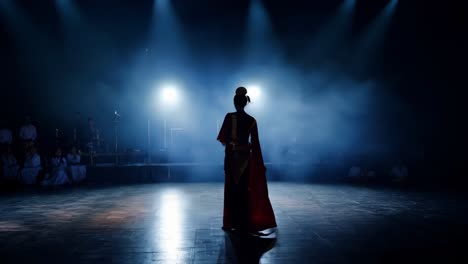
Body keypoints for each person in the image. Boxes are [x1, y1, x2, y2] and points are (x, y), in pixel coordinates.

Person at [217, 87, 277, 234]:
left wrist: (233, 143)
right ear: (245, 103)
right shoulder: (252, 121)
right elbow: (256, 144)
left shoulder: (229, 117)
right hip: (246, 160)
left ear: (234, 103)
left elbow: (223, 138)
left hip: (232, 158)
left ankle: (233, 222)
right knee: (244, 191)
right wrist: (259, 163)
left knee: (232, 190)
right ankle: (244, 222)